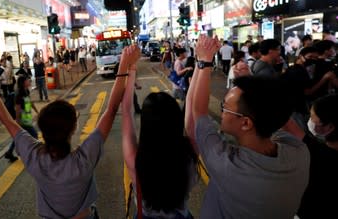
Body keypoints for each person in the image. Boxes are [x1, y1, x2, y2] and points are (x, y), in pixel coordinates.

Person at [0, 45, 141, 218]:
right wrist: (125, 64)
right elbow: (110, 110)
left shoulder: (35, 158)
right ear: (74, 128)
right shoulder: (83, 160)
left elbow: (8, 120)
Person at [185, 35, 310, 218]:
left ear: (246, 123)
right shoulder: (298, 152)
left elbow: (198, 111)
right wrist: (255, 86)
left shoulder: (228, 165)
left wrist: (204, 61)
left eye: (225, 107)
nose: (222, 112)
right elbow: (276, 112)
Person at [121, 65, 199, 218]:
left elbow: (126, 111)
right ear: (176, 121)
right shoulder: (189, 152)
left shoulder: (135, 159)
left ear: (145, 124)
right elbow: (191, 102)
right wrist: (202, 64)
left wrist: (131, 69)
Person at [283, 94, 338, 219]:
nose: (310, 121)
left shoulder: (318, 155)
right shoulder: (318, 149)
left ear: (329, 127)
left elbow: (289, 126)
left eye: (314, 119)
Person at [4, 75, 40, 162]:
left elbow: (30, 102)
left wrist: (37, 111)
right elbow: (17, 109)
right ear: (23, 82)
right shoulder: (19, 94)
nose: (29, 81)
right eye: (28, 80)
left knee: (18, 136)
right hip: (23, 121)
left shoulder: (26, 91)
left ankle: (9, 152)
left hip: (27, 119)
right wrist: (17, 122)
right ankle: (34, 154)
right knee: (34, 135)